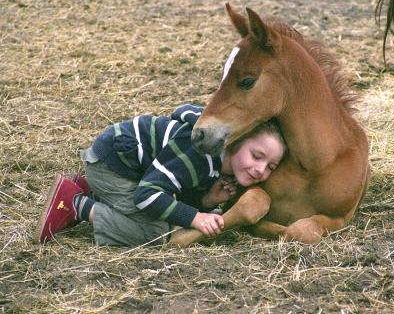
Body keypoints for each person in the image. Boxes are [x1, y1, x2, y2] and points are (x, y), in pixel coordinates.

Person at [35, 104, 286, 246]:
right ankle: (76, 203)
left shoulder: (215, 161)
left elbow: (174, 186)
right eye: (257, 155)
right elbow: (148, 194)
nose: (260, 170)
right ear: (236, 139)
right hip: (111, 166)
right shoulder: (198, 154)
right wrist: (195, 217)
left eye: (270, 167)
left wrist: (207, 201)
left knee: (169, 216)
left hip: (131, 171)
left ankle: (97, 193)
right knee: (158, 233)